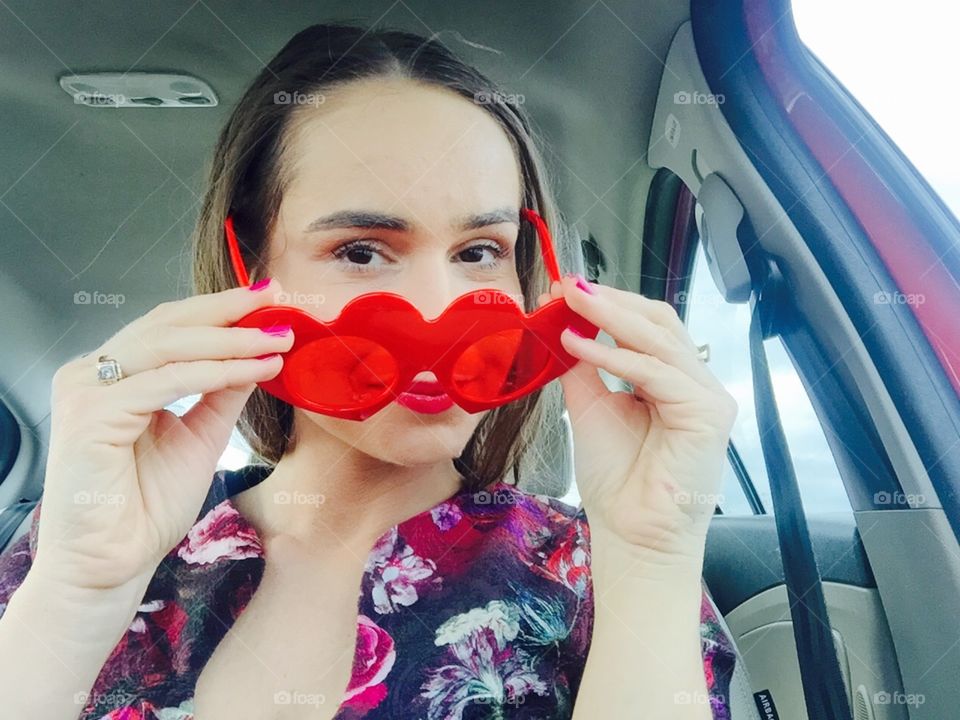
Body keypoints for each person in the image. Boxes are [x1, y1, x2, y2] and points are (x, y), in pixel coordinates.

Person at [0, 22, 740, 720]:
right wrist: (78, 590)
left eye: (480, 251)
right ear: (250, 268)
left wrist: (650, 557)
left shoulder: (595, 573)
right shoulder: (85, 543)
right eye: (361, 250)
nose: (434, 309)